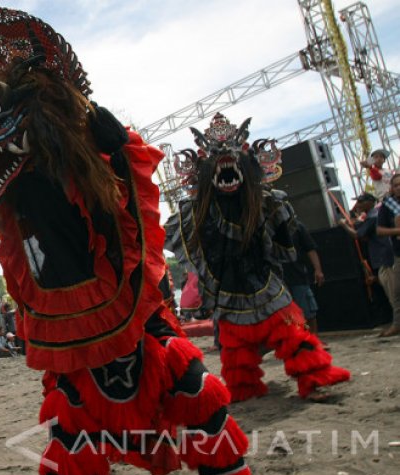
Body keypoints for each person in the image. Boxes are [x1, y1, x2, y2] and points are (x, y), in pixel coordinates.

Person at [0, 7, 253, 475]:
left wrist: (116, 150)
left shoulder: (89, 164)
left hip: (137, 322)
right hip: (73, 345)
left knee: (200, 402)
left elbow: (129, 210)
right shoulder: (14, 201)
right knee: (71, 440)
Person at [164, 113, 350, 403]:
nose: (225, 161)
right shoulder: (194, 212)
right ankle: (245, 388)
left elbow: (283, 241)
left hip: (263, 281)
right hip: (227, 288)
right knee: (235, 351)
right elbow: (190, 246)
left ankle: (314, 379)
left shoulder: (267, 201)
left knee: (291, 332)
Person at [282, 220, 325, 336]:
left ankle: (314, 339)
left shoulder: (296, 226)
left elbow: (310, 248)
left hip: (298, 275)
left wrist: (318, 270)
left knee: (307, 310)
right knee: (285, 314)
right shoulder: (266, 227)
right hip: (278, 280)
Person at [375, 173, 400, 337]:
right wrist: (398, 230)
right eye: (396, 185)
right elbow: (379, 230)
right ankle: (397, 324)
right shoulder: (388, 206)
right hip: (399, 254)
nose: (399, 187)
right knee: (397, 293)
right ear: (391, 188)